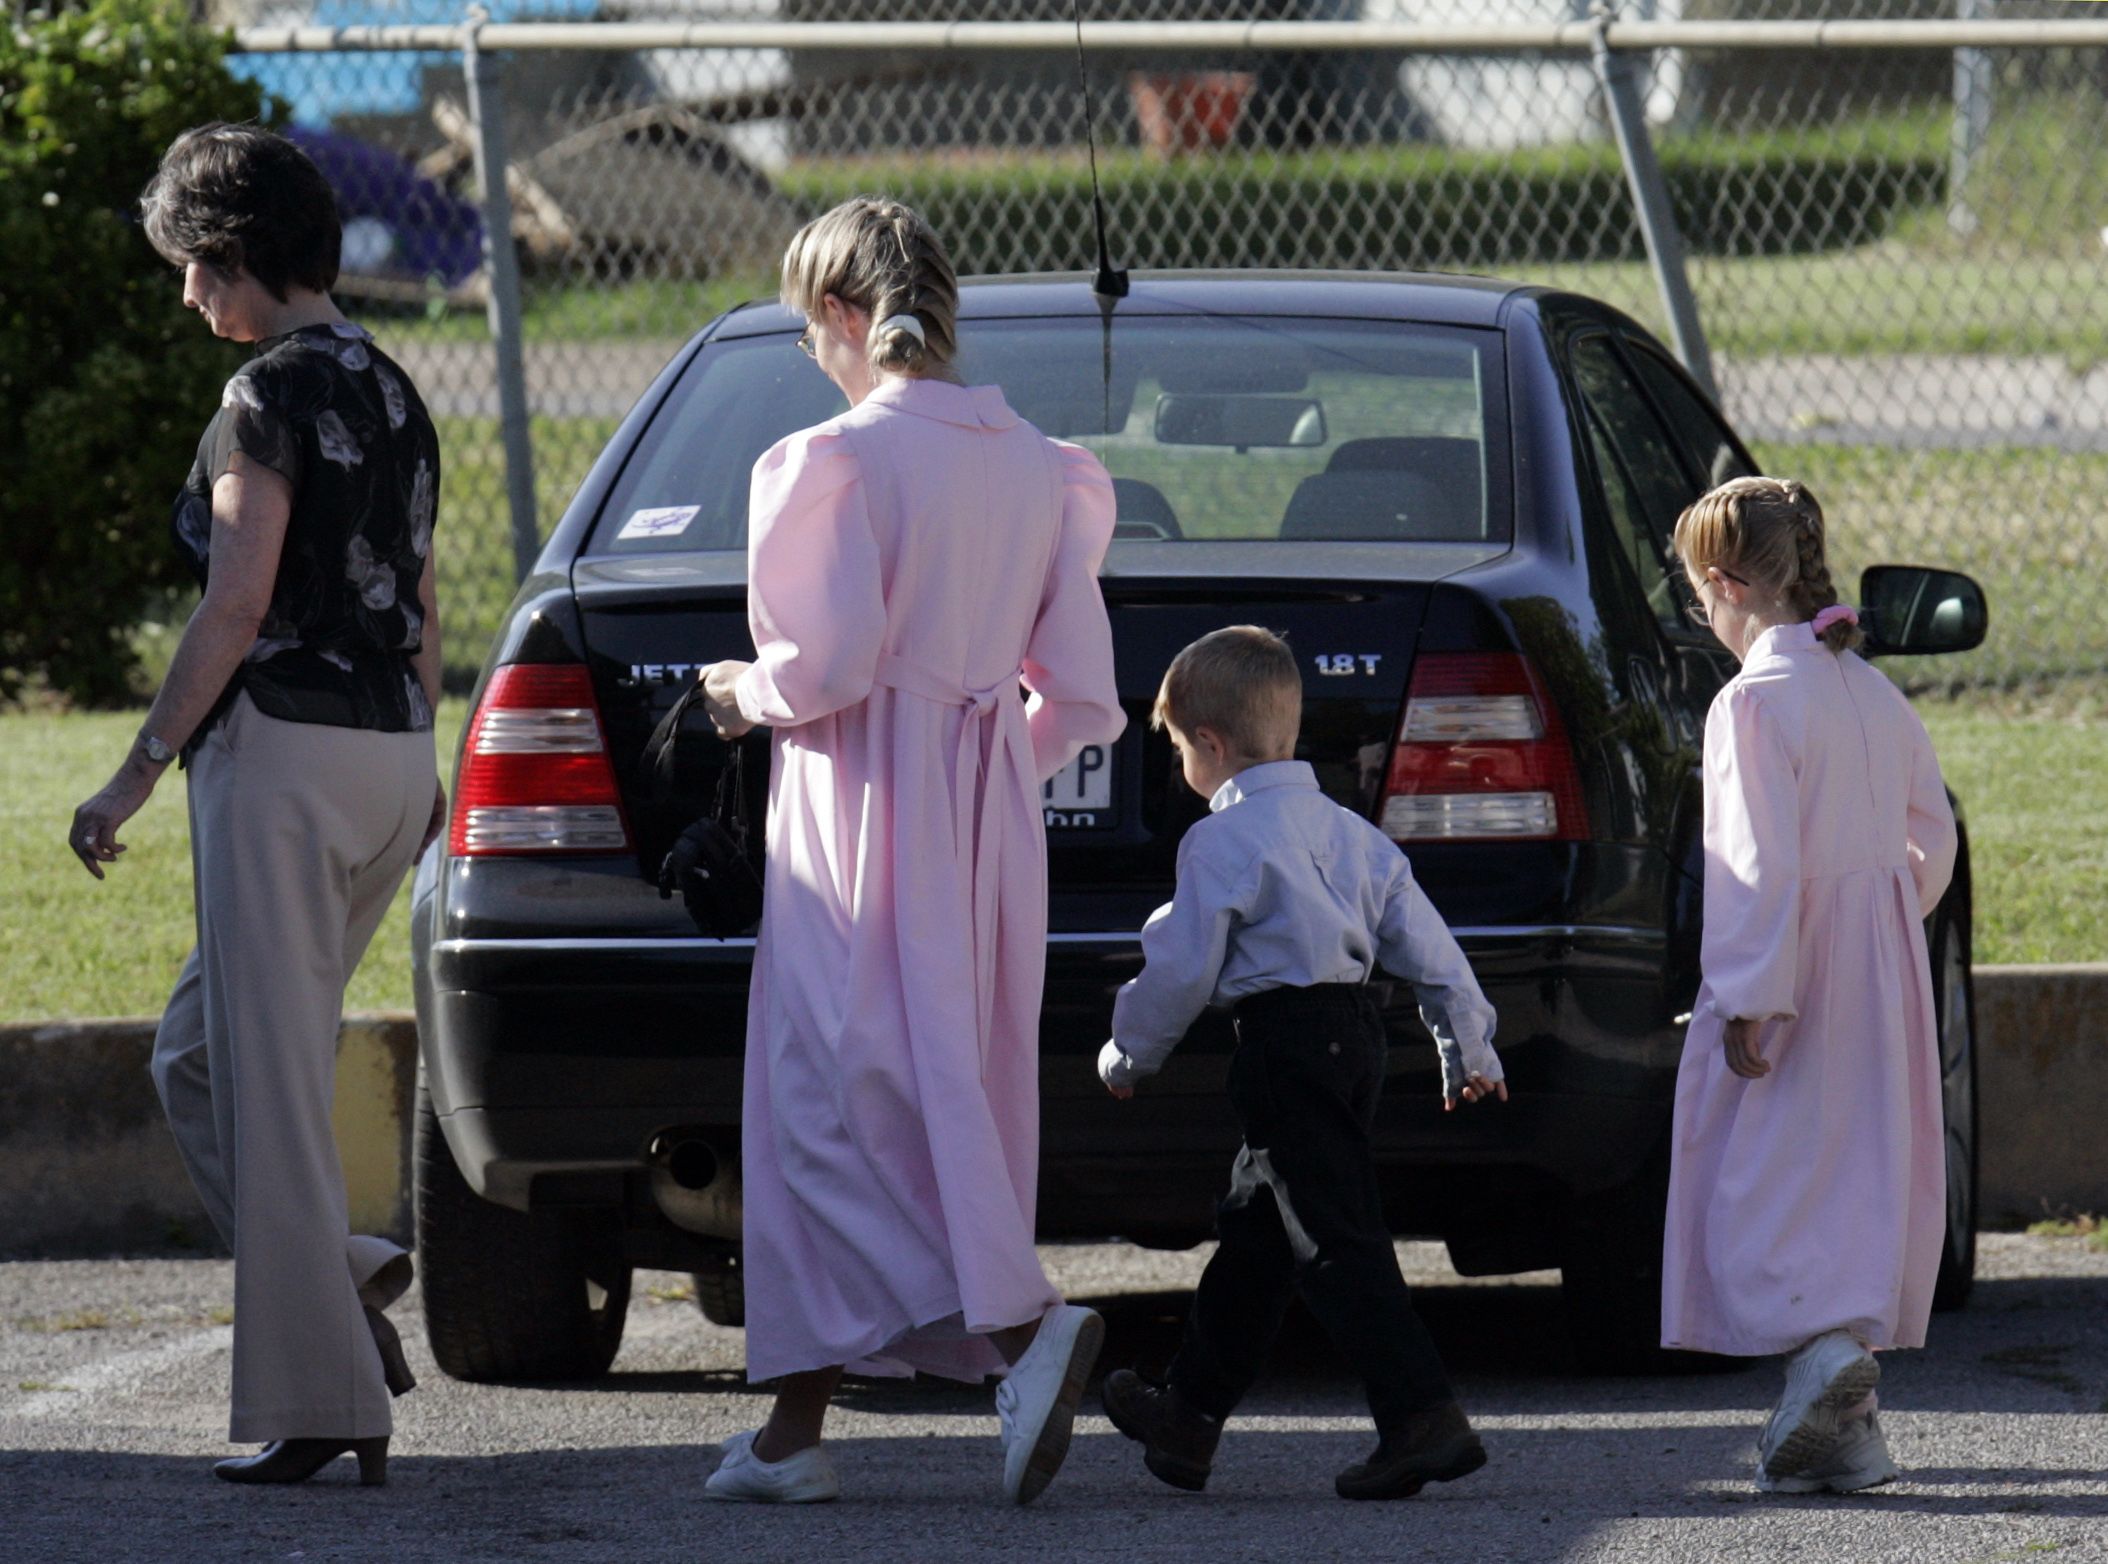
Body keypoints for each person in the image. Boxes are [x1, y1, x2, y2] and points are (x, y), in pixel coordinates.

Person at [691, 197, 1126, 1506]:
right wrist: (982, 757)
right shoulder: (1043, 464)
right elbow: (1086, 695)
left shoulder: (831, 460)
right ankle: (794, 1434)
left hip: (856, 808)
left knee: (827, 1105)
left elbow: (823, 668)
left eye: (804, 330)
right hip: (984, 818)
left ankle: (1019, 1328)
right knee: (944, 1089)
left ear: (837, 317)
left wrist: (734, 693)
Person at [66, 124, 445, 1487]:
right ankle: (341, 1277)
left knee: (270, 1089)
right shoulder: (397, 388)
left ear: (240, 257)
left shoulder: (259, 399)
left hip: (285, 756)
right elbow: (422, 593)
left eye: (193, 268)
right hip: (394, 757)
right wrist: (428, 752)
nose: (187, 297)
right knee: (202, 1055)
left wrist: (135, 770)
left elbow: (237, 601)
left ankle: (329, 1400)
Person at [1093, 625, 1507, 1502]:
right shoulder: (1353, 832)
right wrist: (1466, 1045)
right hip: (1356, 1038)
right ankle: (1189, 1415)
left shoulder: (1223, 841)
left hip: (1284, 1045)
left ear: (1211, 744)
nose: (1179, 768)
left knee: (1334, 1240)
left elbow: (1179, 966)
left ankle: (1420, 1416)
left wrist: (1130, 1052)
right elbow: (1431, 950)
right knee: (1261, 1233)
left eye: (1176, 749)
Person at [1660, 476, 1957, 1495]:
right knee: (1853, 1168)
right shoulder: (1867, 691)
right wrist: (1883, 912)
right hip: (1875, 963)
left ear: (1719, 580)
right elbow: (1932, 834)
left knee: (1763, 1167)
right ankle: (1851, 1421)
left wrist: (1750, 989)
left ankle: (1817, 1356)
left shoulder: (1750, 701)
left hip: (1789, 961)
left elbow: (1753, 859)